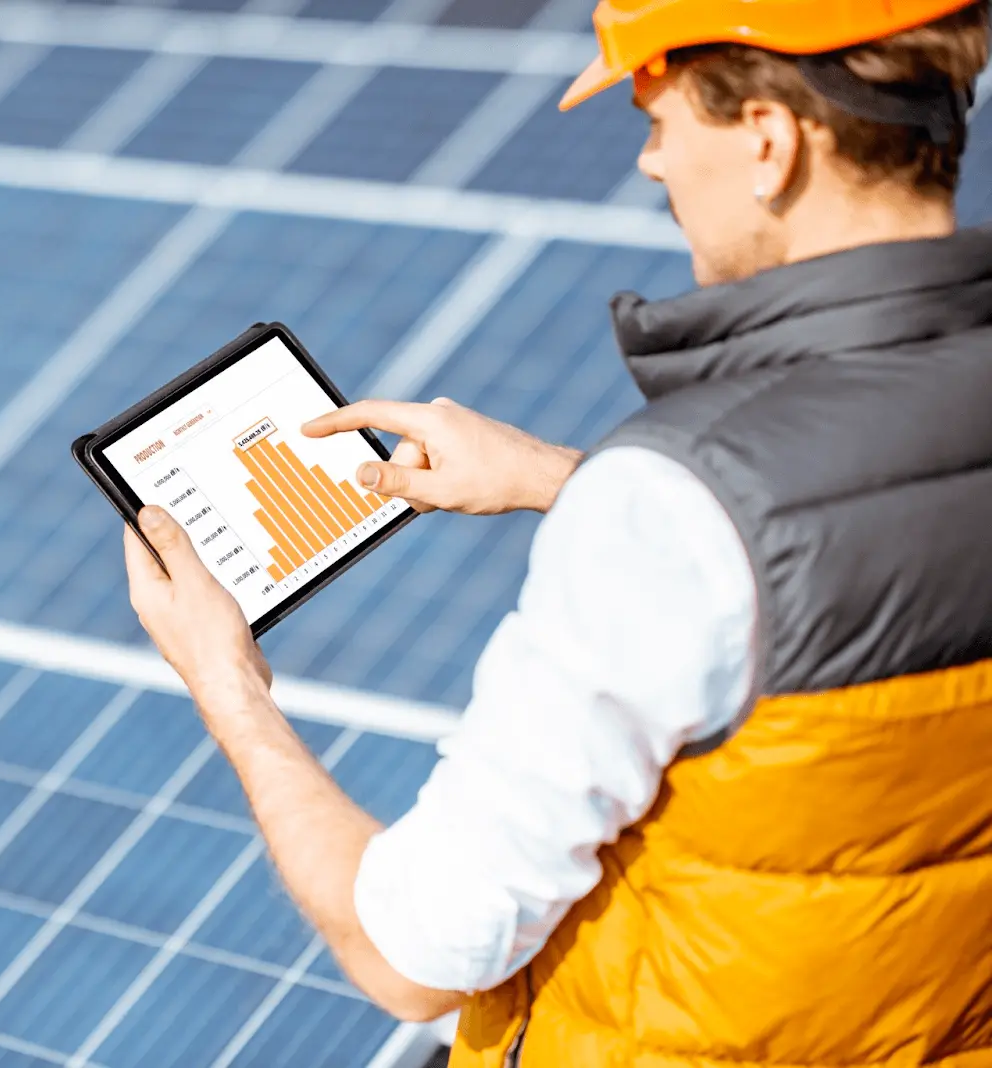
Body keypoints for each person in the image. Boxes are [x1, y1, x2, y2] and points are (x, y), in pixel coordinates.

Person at [121, 0, 992, 1063]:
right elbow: (872, 553)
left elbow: (411, 955)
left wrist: (226, 682)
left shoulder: (668, 517)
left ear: (768, 142)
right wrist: (555, 479)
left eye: (659, 120)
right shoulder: (681, 515)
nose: (649, 162)